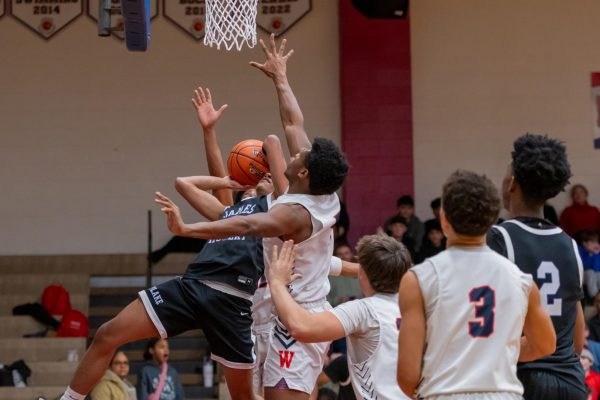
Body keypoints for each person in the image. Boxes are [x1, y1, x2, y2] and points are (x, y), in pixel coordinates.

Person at [156, 35, 350, 400]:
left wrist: (185, 229)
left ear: (303, 174)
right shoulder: (311, 188)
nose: (299, 154)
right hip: (262, 313)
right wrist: (280, 77)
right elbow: (292, 124)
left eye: (301, 160)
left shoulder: (290, 211)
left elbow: (248, 215)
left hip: (295, 313)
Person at [58, 86, 277, 400]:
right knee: (107, 333)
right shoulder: (229, 211)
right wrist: (210, 133)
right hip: (192, 287)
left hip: (233, 301)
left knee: (243, 397)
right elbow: (194, 183)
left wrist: (269, 171)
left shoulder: (278, 212)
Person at [397, 170, 556, 399]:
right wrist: (496, 347)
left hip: (445, 393)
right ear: (493, 220)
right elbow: (545, 345)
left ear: (443, 218)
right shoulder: (522, 280)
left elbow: (407, 376)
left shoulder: (418, 278)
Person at [487, 133, 587, 399]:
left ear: (512, 184)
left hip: (520, 380)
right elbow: (577, 340)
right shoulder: (571, 246)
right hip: (570, 383)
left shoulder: (499, 238)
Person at [267, 234, 413, 400]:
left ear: (362, 273)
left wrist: (277, 283)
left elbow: (301, 327)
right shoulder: (411, 308)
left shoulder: (365, 310)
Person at [580, 230, 600, 298]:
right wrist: (590, 254)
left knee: (598, 274)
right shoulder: (580, 250)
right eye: (592, 242)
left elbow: (597, 268)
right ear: (584, 243)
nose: (595, 244)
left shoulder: (596, 252)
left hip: (595, 273)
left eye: (596, 242)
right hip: (582, 275)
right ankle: (594, 297)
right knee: (590, 272)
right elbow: (585, 266)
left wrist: (596, 254)